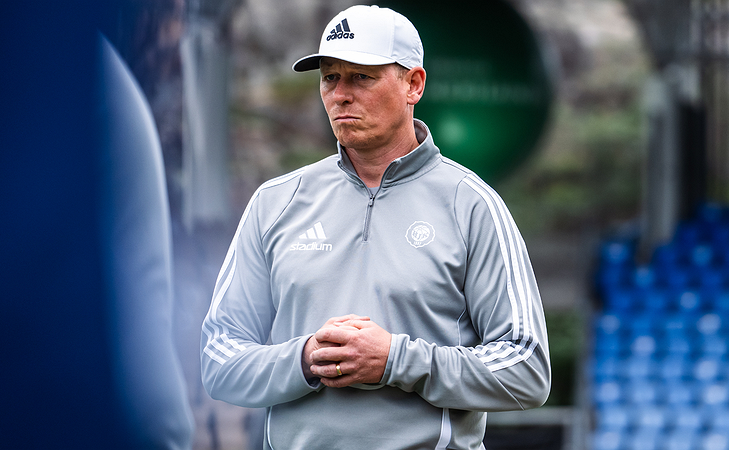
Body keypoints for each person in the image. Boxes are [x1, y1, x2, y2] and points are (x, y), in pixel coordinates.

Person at [201, 5, 550, 449]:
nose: (340, 95)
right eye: (330, 77)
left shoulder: (471, 204)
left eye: (361, 77)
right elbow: (219, 359)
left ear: (413, 84)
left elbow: (526, 369)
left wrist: (397, 361)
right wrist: (306, 359)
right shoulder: (275, 202)